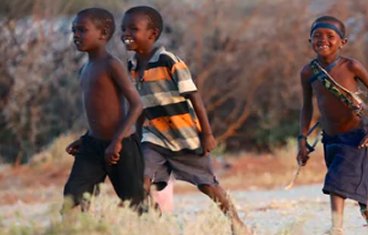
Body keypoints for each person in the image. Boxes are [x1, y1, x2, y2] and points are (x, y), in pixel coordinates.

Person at [120, 6, 249, 233]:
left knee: (207, 184)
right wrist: (138, 138)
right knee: (141, 178)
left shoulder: (169, 61)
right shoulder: (131, 66)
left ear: (152, 34)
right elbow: (140, 106)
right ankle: (151, 220)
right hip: (155, 135)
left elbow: (194, 97)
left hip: (185, 136)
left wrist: (207, 134)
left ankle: (236, 223)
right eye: (123, 29)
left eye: (133, 29)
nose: (125, 33)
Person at [297, 16, 368, 234]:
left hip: (356, 135)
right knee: (348, 177)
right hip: (330, 138)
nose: (323, 40)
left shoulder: (351, 66)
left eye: (330, 36)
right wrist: (302, 139)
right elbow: (306, 107)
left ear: (342, 42)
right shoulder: (308, 72)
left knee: (336, 180)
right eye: (317, 36)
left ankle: (336, 228)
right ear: (310, 41)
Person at [63, 7, 145, 212]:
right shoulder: (85, 69)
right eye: (74, 31)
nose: (76, 35)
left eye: (82, 30)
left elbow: (137, 104)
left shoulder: (111, 65)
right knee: (73, 197)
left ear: (103, 33)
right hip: (92, 146)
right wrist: (86, 137)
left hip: (121, 146)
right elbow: (99, 112)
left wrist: (117, 142)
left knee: (135, 202)